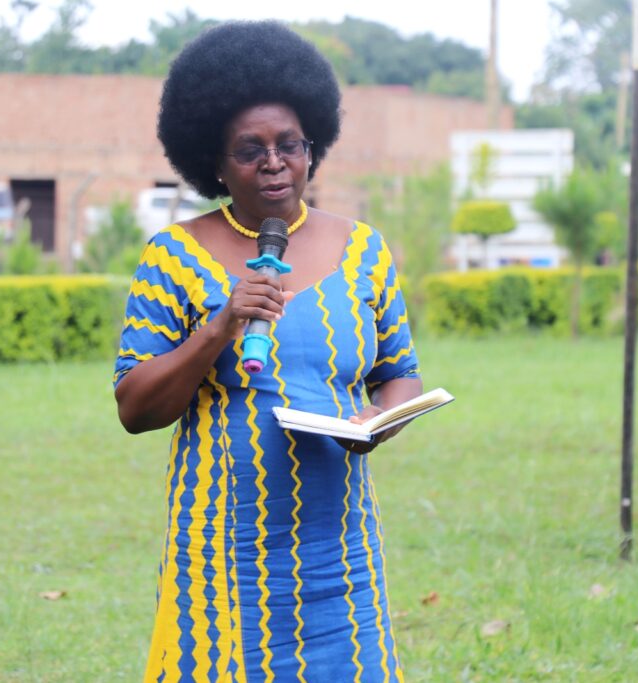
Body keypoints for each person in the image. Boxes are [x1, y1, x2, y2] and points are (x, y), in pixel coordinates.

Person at [113, 20, 423, 682]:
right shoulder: (174, 255)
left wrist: (378, 421)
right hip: (224, 552)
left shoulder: (364, 249)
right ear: (214, 163)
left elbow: (399, 374)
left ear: (314, 146)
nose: (274, 162)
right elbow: (136, 406)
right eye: (250, 150)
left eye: (290, 144)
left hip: (338, 553)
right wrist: (222, 323)